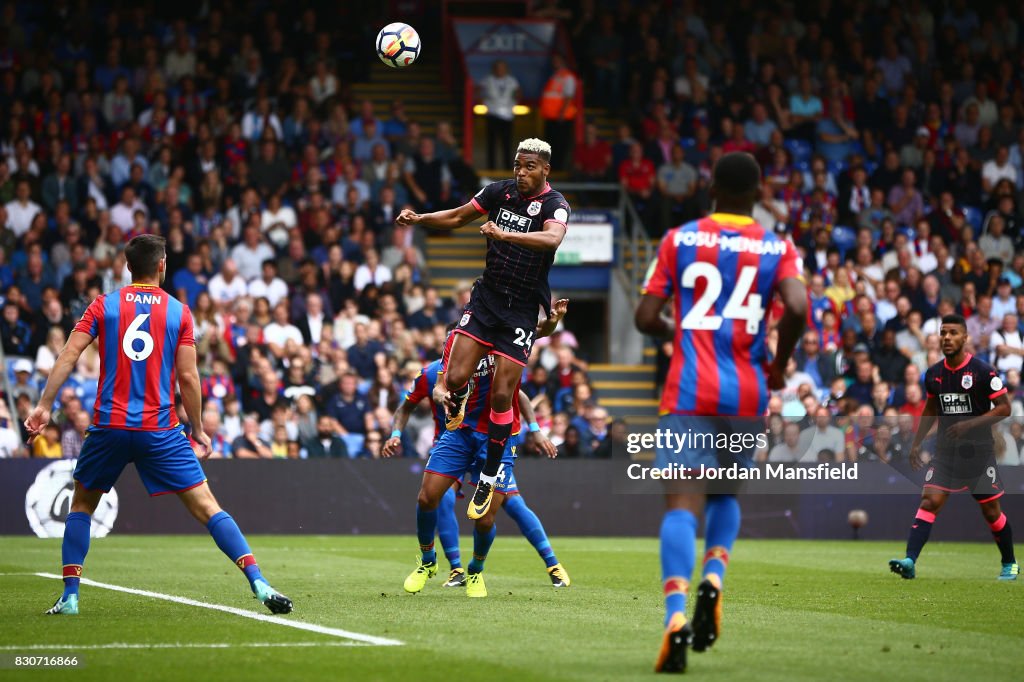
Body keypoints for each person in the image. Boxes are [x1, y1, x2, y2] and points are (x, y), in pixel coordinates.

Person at [25, 235, 292, 615]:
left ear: (128, 266)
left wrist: (44, 406)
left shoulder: (104, 305)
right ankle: (259, 582)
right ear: (161, 264)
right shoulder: (179, 312)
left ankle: (70, 596)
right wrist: (198, 428)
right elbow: (189, 377)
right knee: (208, 507)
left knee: (82, 505)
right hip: (160, 430)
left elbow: (69, 354)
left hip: (110, 426)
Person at [634, 152, 807, 673]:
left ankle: (673, 616)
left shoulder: (678, 239)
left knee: (682, 505)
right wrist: (778, 364)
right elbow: (798, 308)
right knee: (726, 494)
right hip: (747, 392)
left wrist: (679, 332)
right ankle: (714, 577)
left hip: (688, 390)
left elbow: (646, 318)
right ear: (757, 194)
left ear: (710, 188)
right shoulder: (777, 247)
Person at [396, 138, 570, 521]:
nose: (520, 172)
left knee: (503, 396)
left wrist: (505, 235)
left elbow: (552, 239)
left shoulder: (556, 204)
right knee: (456, 377)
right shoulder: (499, 192)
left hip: (522, 309)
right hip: (488, 298)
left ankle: (489, 475)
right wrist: (421, 219)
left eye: (528, 167)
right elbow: (459, 216)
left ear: (545, 170)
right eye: (517, 165)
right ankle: (457, 406)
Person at [384, 306, 570, 596]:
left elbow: (538, 333)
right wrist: (441, 395)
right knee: (427, 497)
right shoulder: (453, 346)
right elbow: (437, 386)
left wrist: (552, 322)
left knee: (486, 518)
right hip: (459, 433)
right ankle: (429, 561)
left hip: (498, 438)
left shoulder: (506, 342)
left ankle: (475, 570)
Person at [890, 314, 1018, 581]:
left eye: (953, 333)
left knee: (991, 512)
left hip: (978, 454)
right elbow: (931, 408)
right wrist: (916, 443)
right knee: (929, 500)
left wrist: (970, 425)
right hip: (946, 453)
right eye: (943, 333)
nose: (946, 338)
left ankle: (1010, 563)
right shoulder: (934, 374)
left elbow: (1004, 407)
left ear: (965, 337)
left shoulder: (983, 372)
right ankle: (910, 560)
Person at [539, 53, 577, 170]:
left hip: (561, 117)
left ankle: (558, 168)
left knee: (560, 144)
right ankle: (553, 167)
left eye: (557, 60)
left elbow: (569, 96)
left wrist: (562, 112)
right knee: (551, 144)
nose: (554, 63)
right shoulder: (554, 76)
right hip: (551, 116)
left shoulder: (567, 76)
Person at [478, 60, 520, 169]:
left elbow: (518, 92)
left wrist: (515, 100)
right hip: (492, 113)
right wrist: (482, 100)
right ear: (494, 69)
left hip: (507, 115)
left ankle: (507, 168)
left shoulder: (511, 81)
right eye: (498, 68)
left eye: (502, 68)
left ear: (506, 69)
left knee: (507, 143)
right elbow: (477, 90)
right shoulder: (488, 80)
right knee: (491, 142)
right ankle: (491, 168)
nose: (500, 70)